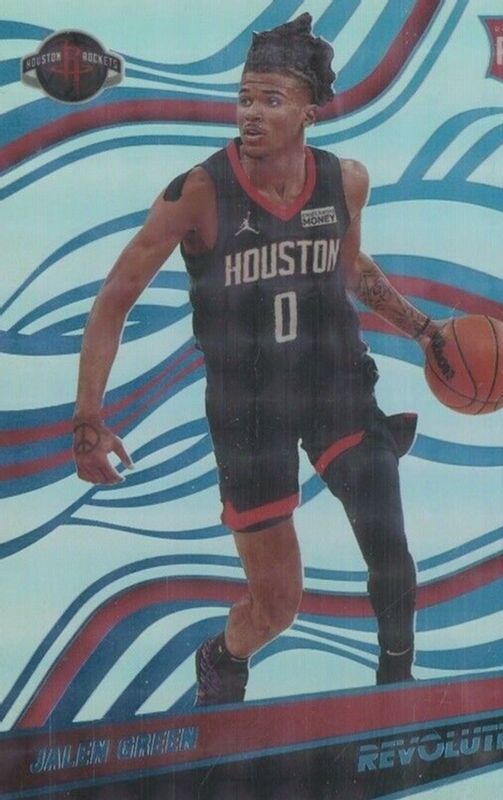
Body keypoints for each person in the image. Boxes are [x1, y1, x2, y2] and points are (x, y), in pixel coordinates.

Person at [73, 14, 440, 706]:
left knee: (386, 534)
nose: (250, 112)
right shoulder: (199, 192)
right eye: (244, 97)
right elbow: (113, 301)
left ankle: (397, 690)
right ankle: (224, 656)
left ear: (308, 113)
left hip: (332, 383)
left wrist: (422, 330)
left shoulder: (345, 182)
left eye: (271, 99)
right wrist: (87, 417)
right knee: (276, 607)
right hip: (247, 411)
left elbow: (350, 268)